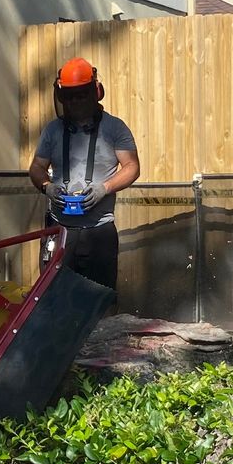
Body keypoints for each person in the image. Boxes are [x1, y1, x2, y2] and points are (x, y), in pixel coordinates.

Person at [27, 57, 140, 290]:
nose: (76, 101)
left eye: (81, 94)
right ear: (61, 98)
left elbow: (132, 167)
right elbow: (36, 168)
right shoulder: (52, 130)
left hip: (99, 231)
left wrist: (104, 188)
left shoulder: (115, 128)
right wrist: (47, 187)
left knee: (100, 299)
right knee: (53, 296)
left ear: (95, 92)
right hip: (60, 229)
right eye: (70, 96)